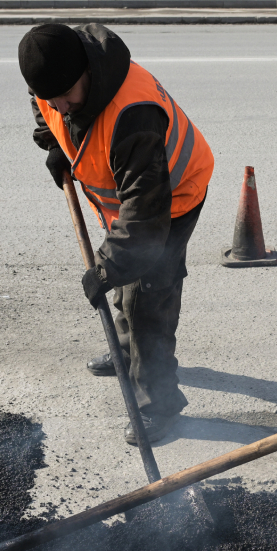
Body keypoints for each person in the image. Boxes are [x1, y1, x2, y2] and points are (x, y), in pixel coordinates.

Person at [18, 23, 214, 446]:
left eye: (67, 96)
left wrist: (104, 271)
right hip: (124, 203)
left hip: (172, 198)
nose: (60, 106)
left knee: (148, 297)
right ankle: (127, 352)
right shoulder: (54, 80)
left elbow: (143, 221)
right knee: (128, 281)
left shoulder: (133, 116)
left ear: (86, 70)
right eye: (50, 98)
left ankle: (158, 404)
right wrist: (52, 144)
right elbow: (44, 107)